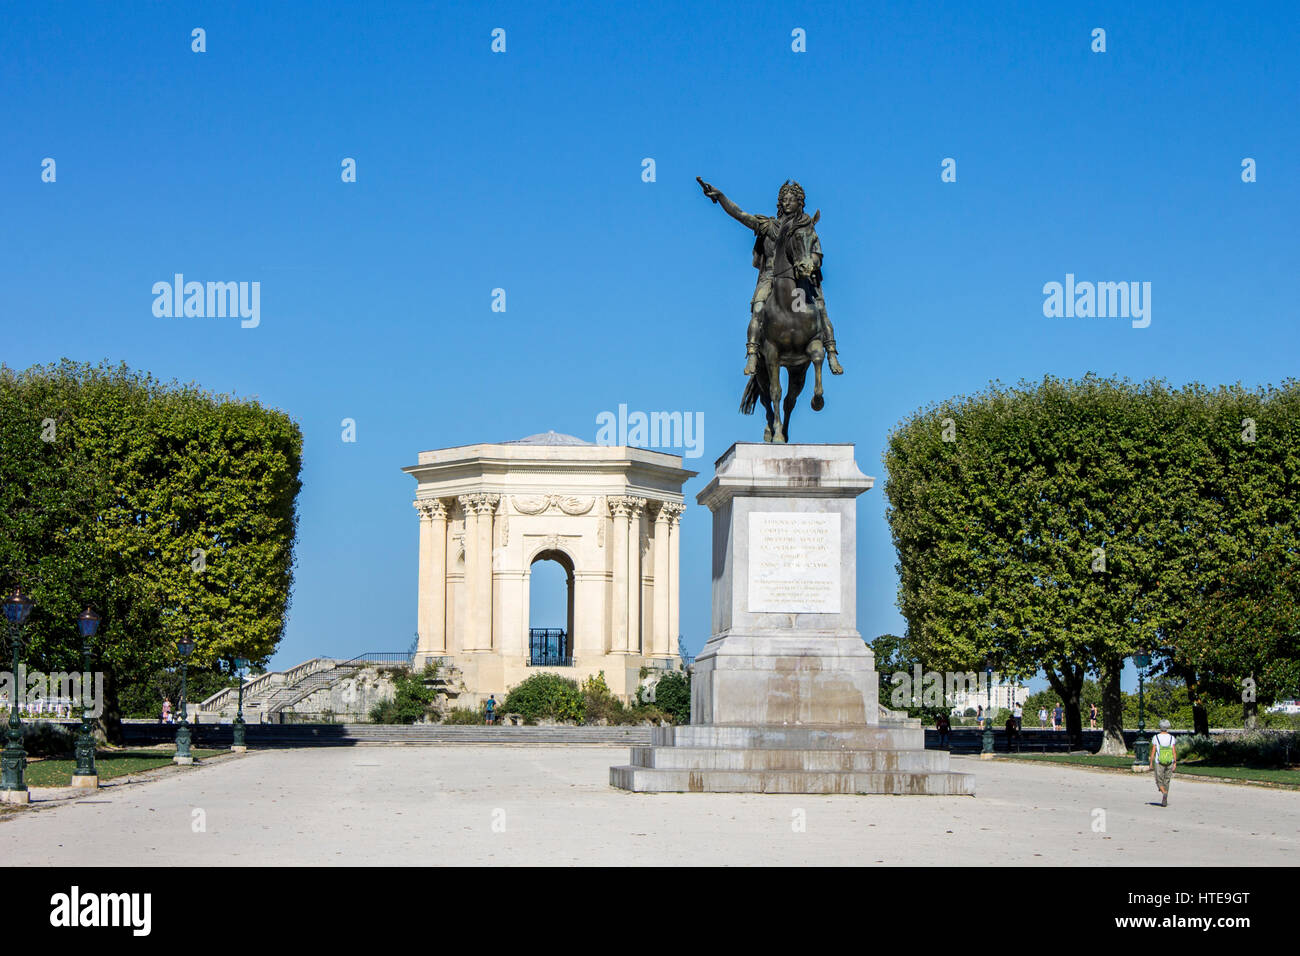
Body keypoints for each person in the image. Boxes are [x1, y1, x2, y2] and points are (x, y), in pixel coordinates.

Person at [1150, 719, 1177, 807]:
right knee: (1167, 780)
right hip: (1170, 761)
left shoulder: (1156, 737)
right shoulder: (1171, 738)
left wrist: (1151, 762)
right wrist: (1175, 762)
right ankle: (1165, 797)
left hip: (1159, 761)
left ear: (1160, 727)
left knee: (1158, 780)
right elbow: (1173, 751)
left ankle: (1163, 792)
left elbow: (1153, 751)